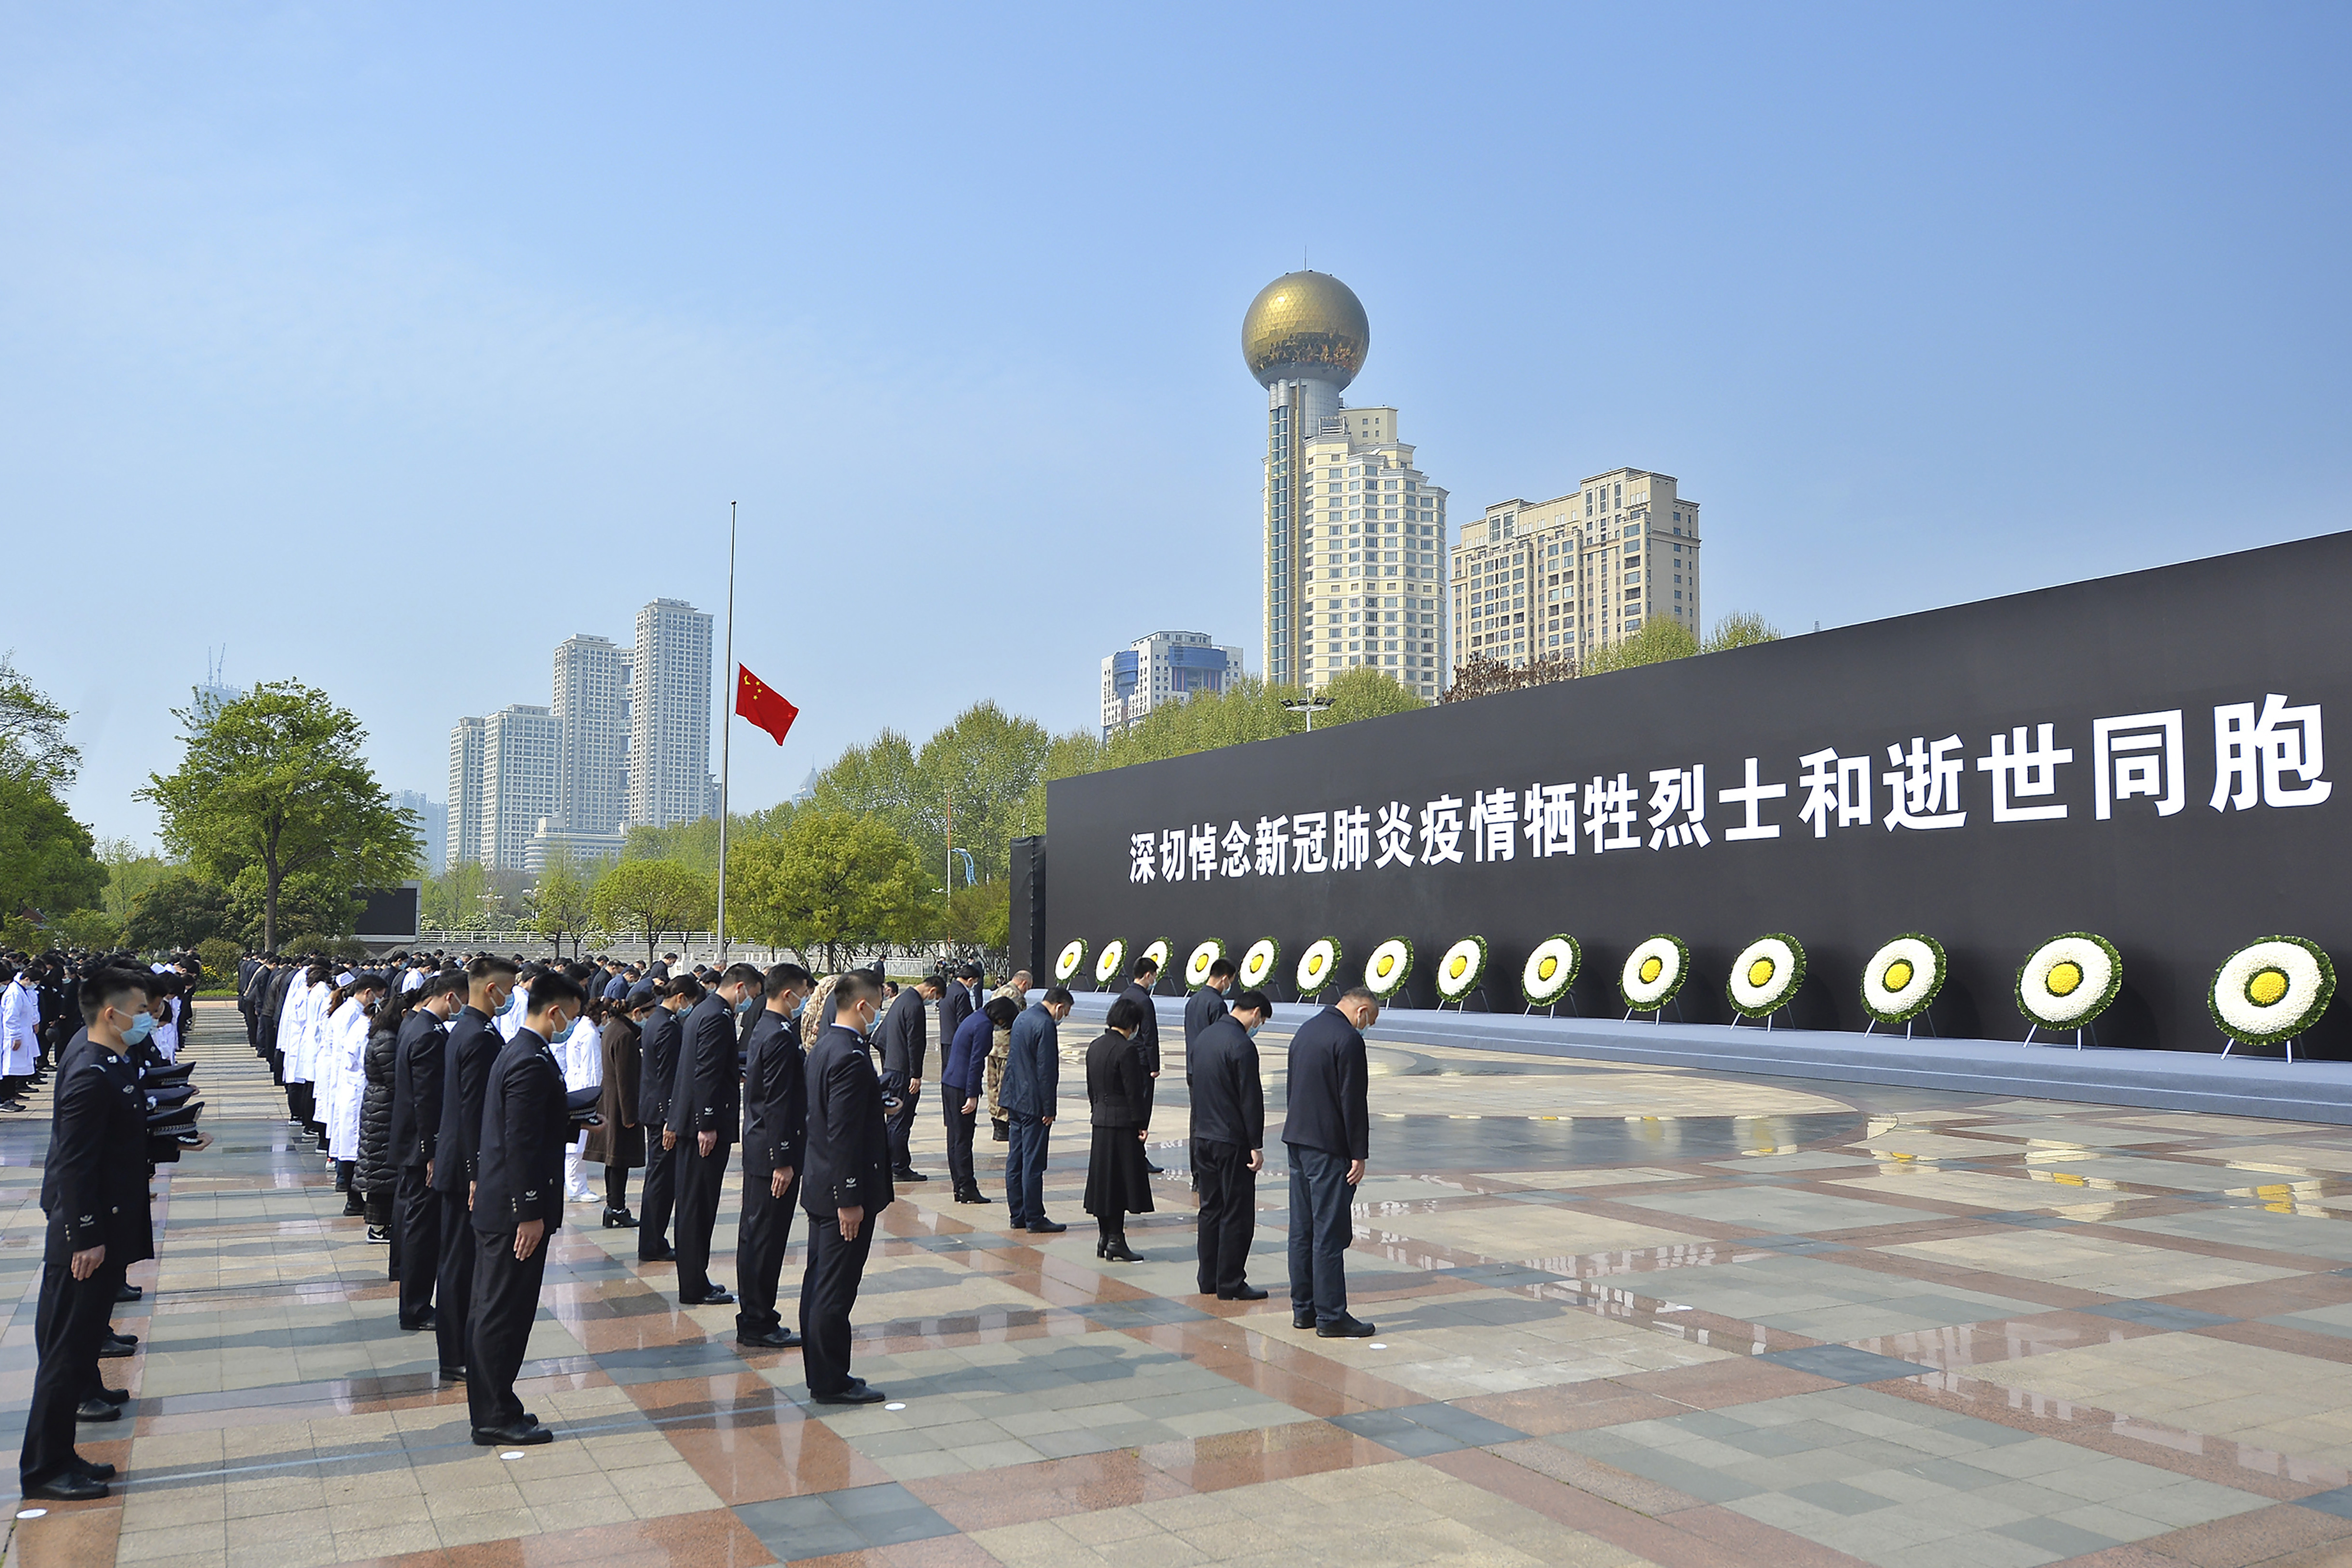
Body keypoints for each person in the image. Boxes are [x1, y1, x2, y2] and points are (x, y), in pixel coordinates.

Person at [20, 968, 150, 1500]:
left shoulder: (110, 1065)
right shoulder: (90, 1073)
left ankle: (62, 1454)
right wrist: (86, 1235)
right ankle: (45, 1467)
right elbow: (73, 1165)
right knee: (66, 1356)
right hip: (85, 1242)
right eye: (140, 1009)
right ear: (111, 1013)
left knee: (75, 1352)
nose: (147, 1018)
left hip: (101, 1232)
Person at [466, 969, 588, 1446]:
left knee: (498, 1307)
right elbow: (519, 1141)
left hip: (506, 1202)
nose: (571, 1026)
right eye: (571, 1017)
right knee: (503, 1312)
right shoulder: (529, 1060)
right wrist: (530, 1210)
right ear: (554, 1010)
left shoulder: (521, 1050)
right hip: (514, 1209)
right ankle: (493, 1414)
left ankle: (499, 1400)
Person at [798, 970, 893, 1404]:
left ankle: (823, 1373)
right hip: (842, 1194)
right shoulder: (850, 1055)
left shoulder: (826, 1046)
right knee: (834, 1289)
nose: (878, 1013)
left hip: (821, 1185)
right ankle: (831, 1380)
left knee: (820, 1282)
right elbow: (843, 1134)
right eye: (878, 1004)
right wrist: (850, 1198)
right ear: (861, 1006)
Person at [432, 955, 519, 1380]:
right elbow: (474, 1111)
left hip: (458, 1159)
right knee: (460, 1262)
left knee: (458, 1259)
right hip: (466, 1164)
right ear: (491, 989)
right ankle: (455, 1355)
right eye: (510, 988)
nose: (512, 996)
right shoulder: (479, 1037)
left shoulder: (467, 1028)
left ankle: (457, 1350)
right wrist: (475, 1172)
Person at [1282, 986, 1377, 1338]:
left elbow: (1293, 1089)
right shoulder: (1348, 1040)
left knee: (1302, 1230)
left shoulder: (1305, 1030)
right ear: (1362, 1011)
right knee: (1329, 1232)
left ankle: (1303, 1309)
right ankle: (1332, 1314)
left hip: (1298, 1140)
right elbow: (1353, 1101)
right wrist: (1358, 1152)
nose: (1367, 1028)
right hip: (1328, 1147)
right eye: (1370, 1021)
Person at [671, 962, 763, 1305]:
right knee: (697, 1205)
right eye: (749, 995)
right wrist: (707, 1124)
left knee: (696, 1204)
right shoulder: (716, 1016)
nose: (747, 1003)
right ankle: (693, 1284)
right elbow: (705, 1075)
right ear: (739, 987)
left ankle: (697, 1277)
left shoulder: (705, 1010)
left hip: (695, 1123)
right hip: (703, 1128)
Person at [736, 963, 811, 1349]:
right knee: (764, 1238)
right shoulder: (779, 1036)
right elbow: (779, 1104)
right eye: (804, 993)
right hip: (772, 1153)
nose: (806, 1001)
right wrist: (783, 1158)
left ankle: (757, 1314)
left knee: (757, 1235)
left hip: (761, 1147)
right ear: (788, 994)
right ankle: (758, 1320)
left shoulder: (766, 1027)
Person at [391, 970, 464, 1330]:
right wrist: (432, 1151)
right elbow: (427, 1101)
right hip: (420, 1149)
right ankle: (416, 1307)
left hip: (411, 1145)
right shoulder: (429, 1035)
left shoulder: (416, 1024)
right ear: (450, 996)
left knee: (415, 1223)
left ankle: (414, 1300)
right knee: (422, 1230)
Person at [1190, 989, 1270, 1300]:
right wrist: (1256, 1143)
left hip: (1203, 1135)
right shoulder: (1242, 1045)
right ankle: (1231, 1281)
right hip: (1231, 1139)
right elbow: (1250, 1098)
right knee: (1237, 1211)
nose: (1258, 1025)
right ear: (1256, 1013)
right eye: (1261, 1020)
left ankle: (1208, 1277)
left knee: (1210, 1209)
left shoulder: (1205, 1038)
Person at [1083, 995, 1155, 1262]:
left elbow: (1091, 1088)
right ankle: (1116, 1239)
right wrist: (1141, 1125)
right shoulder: (1127, 1050)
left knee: (1103, 1182)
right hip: (1123, 1124)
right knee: (1121, 1183)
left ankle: (1105, 1237)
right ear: (1131, 1024)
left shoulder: (1095, 1046)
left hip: (1100, 1120)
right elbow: (1133, 1092)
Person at [636, 974, 700, 1262]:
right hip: (661, 1113)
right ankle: (653, 1242)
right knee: (661, 1181)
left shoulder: (656, 1021)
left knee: (658, 1178)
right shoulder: (668, 1027)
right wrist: (669, 1121)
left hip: (655, 1109)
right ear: (681, 997)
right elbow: (667, 1077)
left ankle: (654, 1239)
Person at [1001, 986, 1072, 1233]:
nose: (1064, 1017)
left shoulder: (1023, 1017)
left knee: (1016, 1159)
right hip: (1033, 1103)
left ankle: (1017, 1214)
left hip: (1015, 1098)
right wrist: (1049, 1107)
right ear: (1060, 1006)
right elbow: (1046, 1070)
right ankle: (1034, 1217)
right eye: (1066, 1012)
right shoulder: (1045, 1025)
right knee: (1033, 1162)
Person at [584, 988, 651, 1228]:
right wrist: (630, 1114)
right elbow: (626, 1078)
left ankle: (614, 1206)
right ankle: (617, 1207)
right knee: (618, 1159)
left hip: (612, 1100)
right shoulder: (623, 1035)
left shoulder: (614, 1028)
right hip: (619, 1105)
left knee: (615, 1160)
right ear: (637, 1011)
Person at [942, 996, 1013, 1204]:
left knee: (954, 1138)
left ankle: (959, 1187)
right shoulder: (983, 1025)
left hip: (950, 1081)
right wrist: (972, 1095)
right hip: (962, 1086)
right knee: (963, 1139)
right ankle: (967, 1187)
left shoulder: (974, 1018)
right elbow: (976, 1063)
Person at [877, 973, 937, 1182]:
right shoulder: (915, 1005)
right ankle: (899, 1167)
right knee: (900, 1121)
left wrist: (888, 1064)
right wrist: (916, 1075)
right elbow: (916, 1042)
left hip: (893, 1068)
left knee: (893, 1120)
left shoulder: (902, 999)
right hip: (903, 1073)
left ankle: (889, 1163)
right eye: (936, 996)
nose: (934, 1000)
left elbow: (880, 1037)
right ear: (932, 991)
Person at [1184, 958, 1235, 1078]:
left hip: (1192, 1067)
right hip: (1209, 1070)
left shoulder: (1193, 1000)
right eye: (1230, 982)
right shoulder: (1217, 1004)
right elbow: (1220, 1039)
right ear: (1225, 979)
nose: (1229, 986)